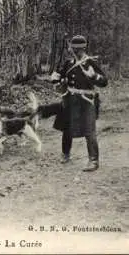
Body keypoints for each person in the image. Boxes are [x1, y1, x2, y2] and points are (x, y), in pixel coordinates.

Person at [48, 35, 108, 172]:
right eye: (74, 49)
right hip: (70, 99)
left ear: (84, 48)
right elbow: (60, 77)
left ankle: (93, 160)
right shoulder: (69, 63)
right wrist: (55, 79)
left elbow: (104, 81)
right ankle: (65, 154)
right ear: (71, 49)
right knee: (67, 128)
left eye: (79, 49)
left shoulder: (91, 63)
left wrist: (94, 76)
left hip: (87, 100)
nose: (76, 52)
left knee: (89, 130)